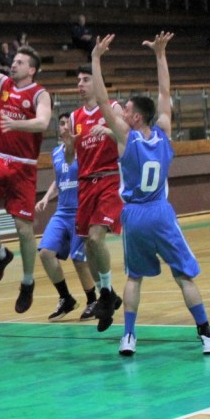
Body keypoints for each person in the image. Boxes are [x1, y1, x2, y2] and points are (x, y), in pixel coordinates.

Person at [90, 31, 210, 356]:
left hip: (133, 215)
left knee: (133, 278)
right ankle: (207, 335)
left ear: (136, 117)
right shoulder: (164, 131)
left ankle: (128, 337)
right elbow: (165, 92)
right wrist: (160, 55)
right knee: (184, 276)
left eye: (125, 110)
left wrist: (96, 59)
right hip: (160, 212)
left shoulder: (126, 139)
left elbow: (101, 101)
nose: (121, 112)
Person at [0, 15, 52, 314]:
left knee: (24, 229)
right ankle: (1, 255)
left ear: (31, 69)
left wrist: (17, 124)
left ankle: (28, 281)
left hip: (24, 166)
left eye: (18, 62)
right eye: (13, 61)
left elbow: (43, 121)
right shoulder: (2, 84)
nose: (12, 64)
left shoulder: (40, 93)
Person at [66, 63, 124, 332]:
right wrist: (68, 144)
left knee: (97, 237)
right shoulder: (75, 116)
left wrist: (109, 131)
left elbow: (127, 137)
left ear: (96, 82)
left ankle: (105, 294)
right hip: (85, 183)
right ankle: (108, 294)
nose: (80, 84)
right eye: (78, 80)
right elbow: (69, 158)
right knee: (88, 243)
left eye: (85, 79)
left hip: (109, 178)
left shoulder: (112, 108)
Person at [35, 112, 98, 321]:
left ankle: (93, 301)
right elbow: (58, 181)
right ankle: (66, 298)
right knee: (45, 253)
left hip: (81, 210)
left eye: (66, 123)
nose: (62, 127)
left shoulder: (84, 151)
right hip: (61, 211)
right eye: (60, 123)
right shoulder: (55, 153)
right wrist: (46, 198)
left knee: (79, 259)